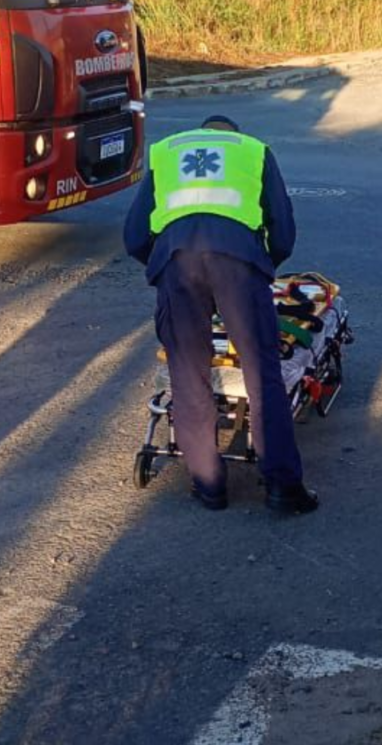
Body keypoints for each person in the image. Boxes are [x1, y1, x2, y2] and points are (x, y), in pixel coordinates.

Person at [124, 114, 318, 514]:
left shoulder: (166, 153)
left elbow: (135, 236)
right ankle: (283, 488)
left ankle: (209, 485)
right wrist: (260, 269)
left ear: (202, 133)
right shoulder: (254, 152)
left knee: (188, 372)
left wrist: (164, 267)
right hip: (238, 263)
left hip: (176, 263)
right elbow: (282, 233)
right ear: (234, 136)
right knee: (262, 373)